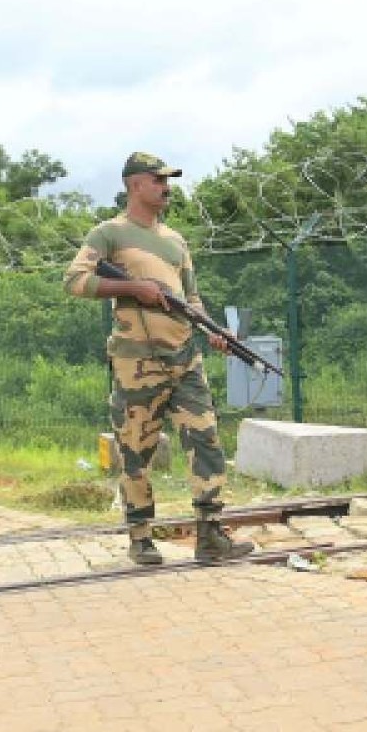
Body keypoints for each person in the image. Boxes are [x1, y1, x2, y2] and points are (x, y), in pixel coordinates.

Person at [64, 152, 254, 566]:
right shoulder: (108, 234)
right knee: (136, 451)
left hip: (185, 358)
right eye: (158, 180)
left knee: (205, 440)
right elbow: (75, 280)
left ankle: (210, 534)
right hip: (137, 362)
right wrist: (133, 289)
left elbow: (191, 297)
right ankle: (140, 537)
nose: (166, 187)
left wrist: (213, 331)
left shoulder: (175, 240)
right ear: (135, 185)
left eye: (167, 180)